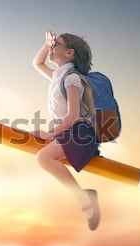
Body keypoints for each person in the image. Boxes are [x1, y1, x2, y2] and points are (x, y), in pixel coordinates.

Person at [32, 30, 101, 230]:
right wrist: (47, 44)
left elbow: (72, 116)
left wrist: (49, 133)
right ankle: (83, 197)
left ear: (69, 53)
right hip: (70, 132)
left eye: (56, 45)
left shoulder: (72, 79)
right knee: (43, 157)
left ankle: (83, 198)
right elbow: (37, 63)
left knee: (43, 158)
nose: (52, 49)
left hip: (80, 133)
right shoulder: (58, 76)